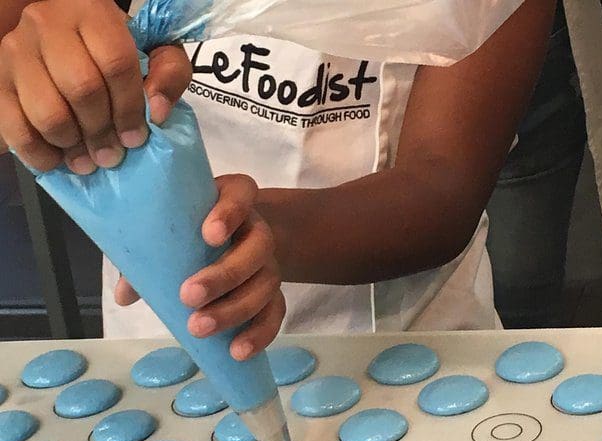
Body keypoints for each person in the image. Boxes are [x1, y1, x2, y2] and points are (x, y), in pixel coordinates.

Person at [0, 0, 556, 360]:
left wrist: (246, 233)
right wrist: (47, 59)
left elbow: (442, 188)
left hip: (405, 345)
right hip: (159, 341)